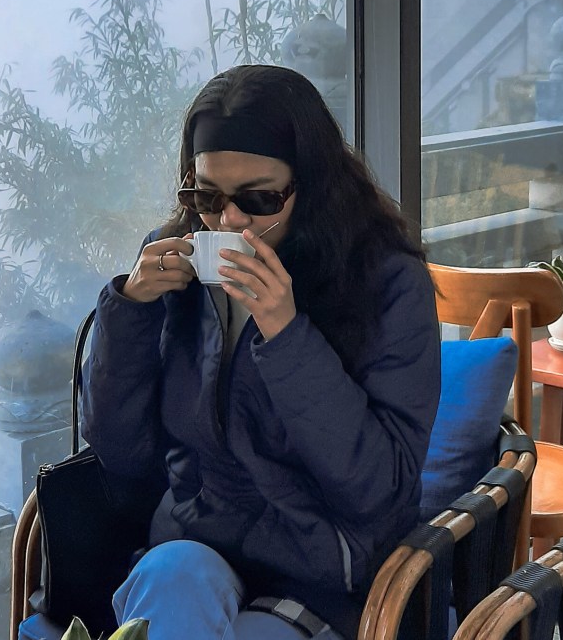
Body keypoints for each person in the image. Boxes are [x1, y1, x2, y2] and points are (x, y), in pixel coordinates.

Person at [79, 64, 441, 640]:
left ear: (312, 183)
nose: (229, 221)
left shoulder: (385, 283)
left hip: (322, 573)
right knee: (172, 575)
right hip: (196, 543)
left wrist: (287, 334)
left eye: (259, 198)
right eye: (206, 195)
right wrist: (130, 311)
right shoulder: (178, 263)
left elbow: (382, 491)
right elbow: (120, 451)